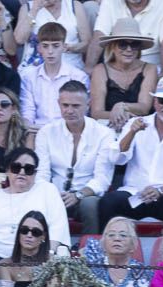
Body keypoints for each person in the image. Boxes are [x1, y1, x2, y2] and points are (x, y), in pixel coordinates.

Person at [99, 76, 163, 229]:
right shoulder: (135, 123)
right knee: (108, 202)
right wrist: (132, 133)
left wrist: (160, 190)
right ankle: (104, 251)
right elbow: (117, 159)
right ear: (155, 102)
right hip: (133, 194)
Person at [34, 80, 115, 235]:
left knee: (90, 205)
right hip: (54, 193)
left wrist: (78, 195)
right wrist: (53, 195)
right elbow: (41, 175)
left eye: (76, 106)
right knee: (38, 199)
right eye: (65, 105)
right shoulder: (46, 132)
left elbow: (102, 179)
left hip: (85, 195)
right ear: (59, 104)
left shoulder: (104, 134)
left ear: (88, 105)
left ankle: (89, 250)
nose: (69, 111)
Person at [0, 147, 69, 259]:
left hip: (36, 259)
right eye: (16, 167)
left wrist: (49, 255)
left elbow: (58, 228)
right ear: (7, 170)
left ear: (35, 173)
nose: (22, 172)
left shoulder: (47, 190)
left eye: (28, 169)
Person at [88, 18, 156, 132]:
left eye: (134, 44)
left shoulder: (150, 69)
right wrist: (122, 116)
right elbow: (96, 112)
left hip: (141, 129)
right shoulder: (100, 70)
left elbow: (144, 107)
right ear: (113, 47)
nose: (129, 49)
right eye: (123, 44)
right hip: (107, 129)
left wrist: (121, 106)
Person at [18, 20, 90, 129]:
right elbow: (27, 113)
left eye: (55, 46)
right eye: (45, 46)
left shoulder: (79, 77)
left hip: (68, 131)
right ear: (39, 48)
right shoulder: (29, 77)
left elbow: (81, 113)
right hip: (37, 131)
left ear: (64, 47)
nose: (50, 51)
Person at [88, 0, 163, 68]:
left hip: (149, 64)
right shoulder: (110, 2)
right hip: (115, 62)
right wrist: (89, 67)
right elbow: (99, 33)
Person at [84, 216, 152, 287]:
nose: (117, 239)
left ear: (132, 244)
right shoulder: (90, 270)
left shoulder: (144, 272)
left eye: (123, 235)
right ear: (104, 243)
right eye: (111, 235)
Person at [14, 0, 90, 72]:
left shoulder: (74, 5)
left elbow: (87, 43)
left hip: (71, 65)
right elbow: (19, 39)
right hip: (35, 67)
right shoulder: (28, 8)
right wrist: (34, 10)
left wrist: (71, 48)